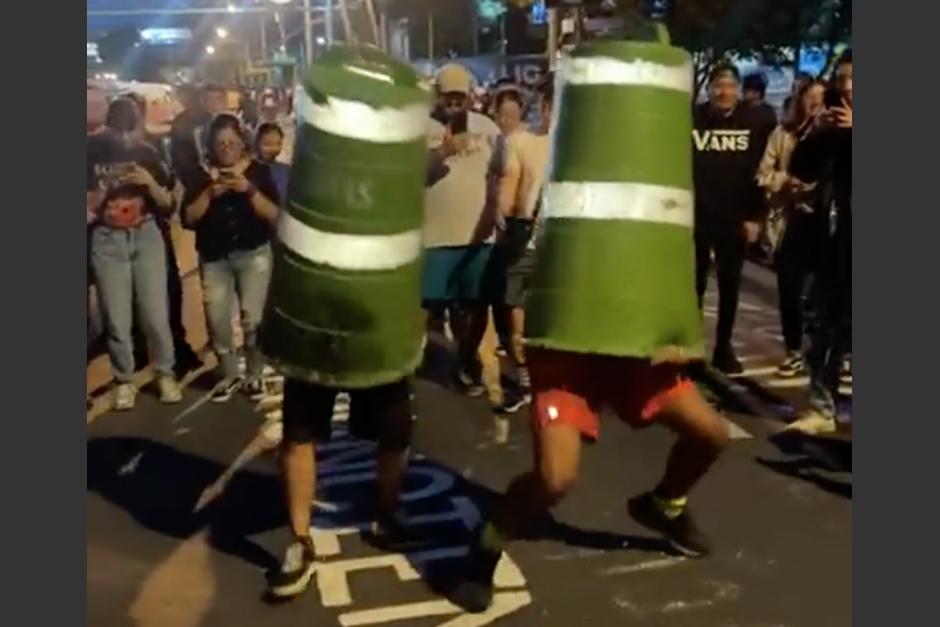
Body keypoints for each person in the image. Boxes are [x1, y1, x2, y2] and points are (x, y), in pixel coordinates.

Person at [451, 41, 730, 613]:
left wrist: (673, 332)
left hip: (630, 344)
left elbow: (668, 249)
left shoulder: (649, 161)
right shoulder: (542, 150)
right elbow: (525, 226)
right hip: (570, 347)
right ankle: (487, 543)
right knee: (554, 480)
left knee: (711, 435)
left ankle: (664, 504)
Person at [262, 45, 430, 599]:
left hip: (378, 315)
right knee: (301, 429)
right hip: (316, 312)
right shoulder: (309, 143)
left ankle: (385, 514)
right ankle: (300, 537)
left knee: (393, 429)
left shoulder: (401, 145)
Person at [87, 97, 183, 410]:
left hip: (146, 236)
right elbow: (89, 207)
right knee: (116, 317)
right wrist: (106, 187)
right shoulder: (91, 150)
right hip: (107, 239)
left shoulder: (148, 152)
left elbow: (169, 202)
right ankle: (123, 381)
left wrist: (149, 182)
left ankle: (164, 373)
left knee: (155, 313)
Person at [182, 114, 280, 403]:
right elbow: (188, 218)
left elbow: (275, 214)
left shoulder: (259, 172)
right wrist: (210, 193)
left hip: (254, 254)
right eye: (220, 143)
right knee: (218, 320)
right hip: (214, 258)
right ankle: (227, 374)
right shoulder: (200, 176)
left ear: (242, 143)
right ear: (211, 146)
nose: (226, 148)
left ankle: (254, 372)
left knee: (253, 319)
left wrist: (248, 190)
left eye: (232, 142)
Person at [784, 50, 853, 435]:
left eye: (853, 79)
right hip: (834, 243)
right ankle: (821, 406)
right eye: (841, 79)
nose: (846, 87)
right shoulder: (833, 128)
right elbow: (801, 169)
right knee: (824, 329)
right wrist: (817, 131)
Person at [423, 63, 502, 397]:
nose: (454, 103)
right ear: (437, 96)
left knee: (474, 308)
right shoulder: (418, 125)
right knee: (424, 308)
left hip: (479, 237)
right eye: (448, 96)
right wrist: (442, 151)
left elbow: (501, 172)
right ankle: (404, 367)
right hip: (433, 238)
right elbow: (405, 174)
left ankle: (466, 363)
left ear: (470, 95)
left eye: (460, 96)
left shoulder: (487, 127)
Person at [693, 63, 773, 374]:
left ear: (737, 89)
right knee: (693, 285)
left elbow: (762, 170)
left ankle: (723, 348)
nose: (723, 92)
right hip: (698, 213)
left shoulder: (756, 120)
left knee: (730, 286)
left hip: (735, 215)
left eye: (728, 86)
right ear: (709, 89)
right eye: (717, 85)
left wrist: (756, 217)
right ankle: (692, 347)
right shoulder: (693, 118)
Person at [489, 78, 554, 413]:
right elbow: (509, 189)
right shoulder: (525, 142)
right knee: (529, 321)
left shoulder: (520, 142)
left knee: (532, 322)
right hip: (543, 246)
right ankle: (538, 386)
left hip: (544, 249)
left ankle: (538, 386)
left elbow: (507, 195)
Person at [756, 79, 826, 378]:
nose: (815, 103)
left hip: (827, 222)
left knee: (824, 294)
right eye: (809, 97)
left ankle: (833, 353)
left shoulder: (836, 134)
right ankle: (794, 350)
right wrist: (786, 182)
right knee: (789, 290)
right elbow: (763, 174)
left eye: (821, 98)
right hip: (790, 219)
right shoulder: (783, 134)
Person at [170, 83, 230, 191]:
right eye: (209, 100)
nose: (214, 104)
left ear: (225, 101)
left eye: (218, 99)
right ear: (201, 101)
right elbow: (181, 161)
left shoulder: (235, 124)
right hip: (199, 185)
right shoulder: (187, 125)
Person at [255, 122, 290, 205]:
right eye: (267, 144)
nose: (273, 149)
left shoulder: (285, 170)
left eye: (278, 144)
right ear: (257, 143)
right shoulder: (249, 168)